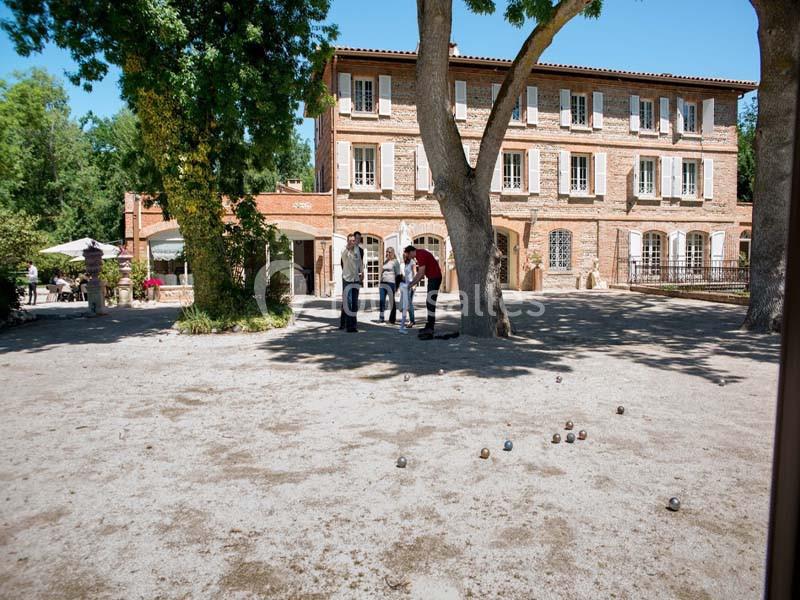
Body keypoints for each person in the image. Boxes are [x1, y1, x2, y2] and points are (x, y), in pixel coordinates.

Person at [404, 245, 442, 336]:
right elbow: (420, 274)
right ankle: (429, 325)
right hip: (433, 278)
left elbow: (420, 274)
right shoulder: (420, 254)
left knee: (430, 302)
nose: (409, 257)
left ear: (411, 252)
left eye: (408, 255)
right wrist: (411, 284)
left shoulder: (420, 255)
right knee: (429, 302)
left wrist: (410, 285)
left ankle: (430, 327)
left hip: (435, 278)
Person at [340, 231, 365, 329]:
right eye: (351, 241)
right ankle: (349, 326)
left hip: (356, 279)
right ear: (348, 241)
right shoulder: (344, 250)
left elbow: (359, 262)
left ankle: (353, 324)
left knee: (354, 303)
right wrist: (348, 248)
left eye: (354, 241)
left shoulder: (357, 250)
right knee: (348, 302)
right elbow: (343, 259)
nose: (353, 242)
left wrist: (362, 272)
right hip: (347, 279)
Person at [378, 247, 401, 323]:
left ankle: (392, 318)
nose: (387, 253)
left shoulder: (395, 262)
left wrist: (397, 287)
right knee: (382, 300)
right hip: (383, 283)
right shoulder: (385, 261)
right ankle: (381, 317)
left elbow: (398, 275)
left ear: (393, 253)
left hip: (391, 284)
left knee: (392, 302)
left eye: (389, 252)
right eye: (387, 252)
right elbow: (382, 272)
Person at [398, 248, 417, 334]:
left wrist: (414, 284)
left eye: (404, 253)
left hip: (411, 284)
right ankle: (411, 320)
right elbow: (404, 276)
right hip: (405, 285)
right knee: (408, 303)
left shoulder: (412, 262)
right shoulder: (405, 263)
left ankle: (412, 320)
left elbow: (415, 273)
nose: (403, 254)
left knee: (409, 303)